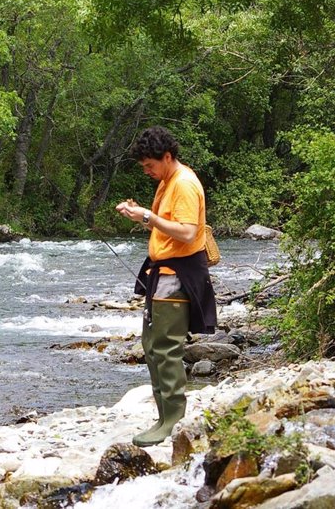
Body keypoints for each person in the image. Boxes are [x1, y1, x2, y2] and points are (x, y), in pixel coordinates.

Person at [116, 125, 216, 447]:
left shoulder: (184, 184)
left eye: (150, 165)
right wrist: (140, 215)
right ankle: (163, 416)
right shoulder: (167, 181)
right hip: (164, 272)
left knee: (166, 349)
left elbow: (187, 233)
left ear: (167, 157)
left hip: (179, 275)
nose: (146, 171)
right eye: (144, 166)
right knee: (151, 344)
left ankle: (172, 420)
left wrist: (147, 217)